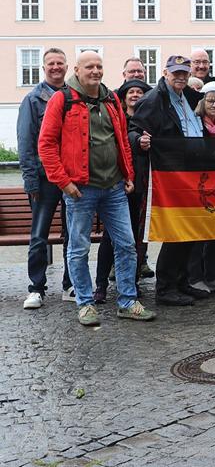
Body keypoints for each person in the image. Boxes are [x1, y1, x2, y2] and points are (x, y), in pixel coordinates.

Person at [38, 51, 155, 325]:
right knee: (78, 249)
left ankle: (127, 301)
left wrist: (128, 173)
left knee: (127, 245)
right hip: (80, 188)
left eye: (99, 66)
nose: (95, 71)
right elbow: (45, 145)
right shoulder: (62, 99)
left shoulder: (111, 98)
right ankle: (85, 303)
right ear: (77, 70)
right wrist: (64, 182)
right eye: (89, 66)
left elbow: (122, 140)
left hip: (114, 186)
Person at [130, 54, 205, 306]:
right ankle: (165, 287)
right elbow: (133, 130)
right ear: (165, 73)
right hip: (169, 176)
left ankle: (182, 281)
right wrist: (139, 141)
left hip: (191, 173)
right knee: (175, 231)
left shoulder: (191, 97)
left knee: (190, 229)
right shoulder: (153, 99)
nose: (181, 77)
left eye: (184, 73)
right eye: (176, 73)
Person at [17, 48, 74, 309]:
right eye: (51, 63)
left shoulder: (74, 97)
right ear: (44, 68)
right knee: (39, 235)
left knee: (72, 233)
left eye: (60, 63)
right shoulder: (32, 99)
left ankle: (70, 284)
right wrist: (30, 182)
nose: (55, 67)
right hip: (43, 178)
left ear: (66, 67)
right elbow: (26, 143)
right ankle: (36, 288)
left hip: (72, 176)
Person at [92, 78, 152, 303]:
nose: (135, 95)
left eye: (140, 92)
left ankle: (131, 282)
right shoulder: (117, 117)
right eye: (131, 92)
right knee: (110, 237)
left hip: (143, 187)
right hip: (119, 184)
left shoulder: (149, 119)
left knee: (135, 239)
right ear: (124, 96)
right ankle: (100, 285)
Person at [183, 82, 215, 294]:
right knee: (198, 234)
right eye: (211, 100)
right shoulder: (195, 123)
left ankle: (212, 274)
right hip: (197, 183)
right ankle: (194, 276)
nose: (214, 105)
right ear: (203, 103)